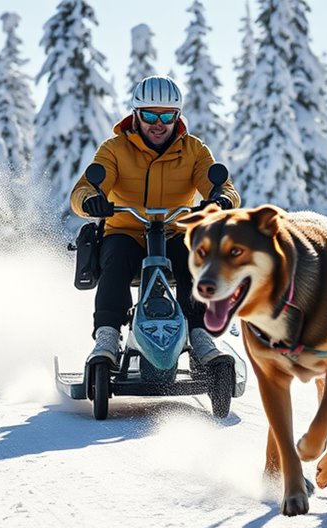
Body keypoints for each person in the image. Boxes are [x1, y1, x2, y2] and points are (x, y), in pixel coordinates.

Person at [70, 75, 240, 370]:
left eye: (167, 116)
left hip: (174, 229)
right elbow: (84, 188)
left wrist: (221, 200)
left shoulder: (194, 151)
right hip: (127, 230)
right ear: (136, 115)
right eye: (150, 115)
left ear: (177, 116)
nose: (158, 124)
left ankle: (200, 337)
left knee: (193, 258)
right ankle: (107, 338)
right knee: (116, 257)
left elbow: (223, 187)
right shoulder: (115, 149)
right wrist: (91, 200)